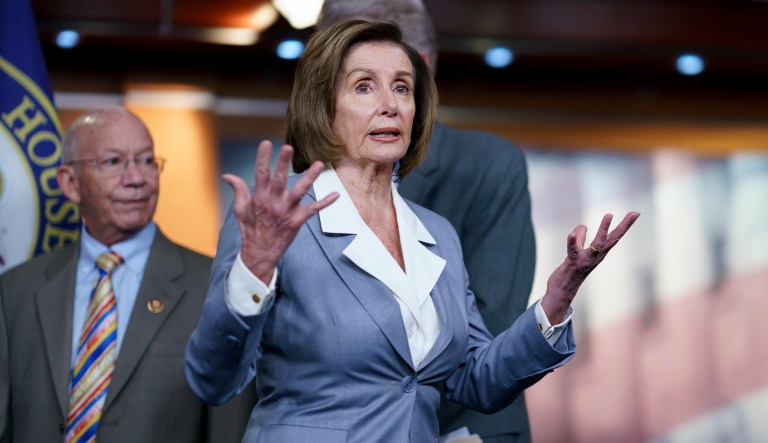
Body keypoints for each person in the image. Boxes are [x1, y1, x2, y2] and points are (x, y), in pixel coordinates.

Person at [184, 20, 639, 442]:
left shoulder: (436, 233)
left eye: (402, 87)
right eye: (364, 87)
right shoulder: (279, 220)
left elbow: (474, 380)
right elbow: (212, 379)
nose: (390, 104)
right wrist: (253, 270)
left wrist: (556, 301)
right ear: (322, 107)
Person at [315, 1, 537, 441]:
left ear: (415, 69)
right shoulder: (303, 180)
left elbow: (487, 333)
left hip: (461, 425)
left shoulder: (488, 166)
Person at [0, 106, 255, 442]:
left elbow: (228, 428)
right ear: (70, 183)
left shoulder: (213, 285)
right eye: (113, 162)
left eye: (147, 161)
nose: (136, 178)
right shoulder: (15, 290)